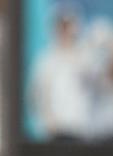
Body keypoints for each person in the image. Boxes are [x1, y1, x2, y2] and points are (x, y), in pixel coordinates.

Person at [25, 6, 94, 141]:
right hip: (55, 133)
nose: (67, 32)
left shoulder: (85, 57)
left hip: (81, 132)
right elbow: (35, 96)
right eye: (63, 27)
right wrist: (46, 122)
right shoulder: (46, 61)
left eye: (69, 26)